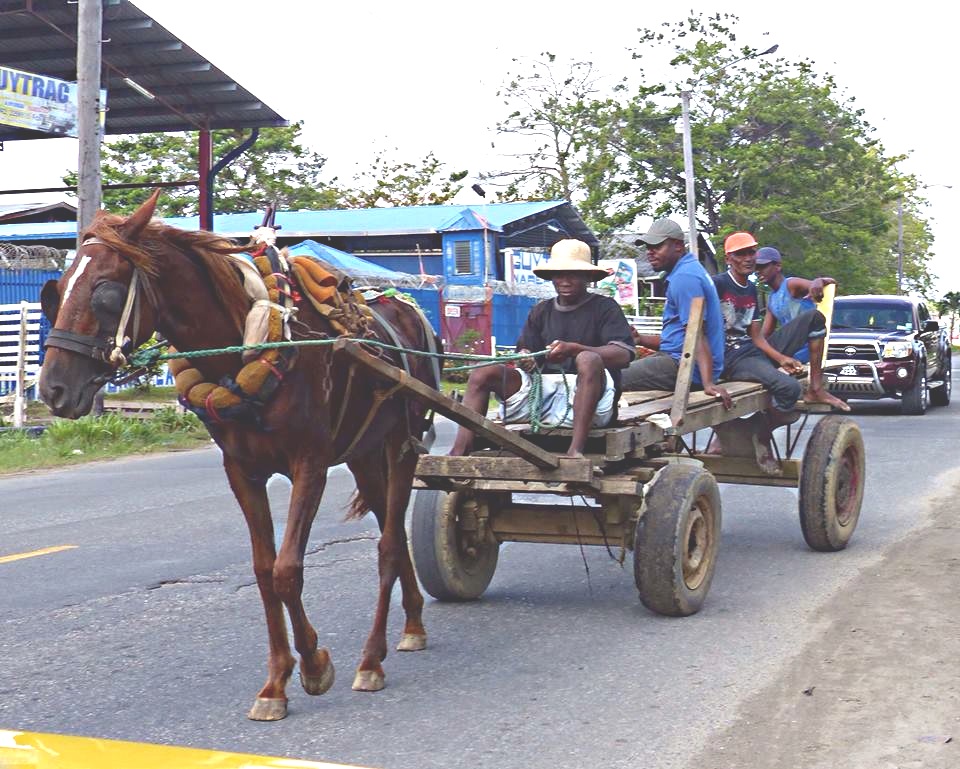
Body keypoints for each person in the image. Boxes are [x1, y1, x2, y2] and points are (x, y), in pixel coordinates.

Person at [447, 239, 636, 459]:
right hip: (541, 397)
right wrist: (526, 358)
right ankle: (459, 451)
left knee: (587, 359)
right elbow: (526, 353)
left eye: (573, 274)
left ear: (588, 277)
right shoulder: (541, 310)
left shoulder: (605, 308)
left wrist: (575, 350)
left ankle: (576, 450)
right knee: (483, 373)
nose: (564, 281)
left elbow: (624, 355)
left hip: (591, 398)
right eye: (558, 274)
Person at [713, 233, 849, 421]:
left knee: (815, 317)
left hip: (755, 350)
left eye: (751, 253)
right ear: (728, 259)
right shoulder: (718, 284)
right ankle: (756, 431)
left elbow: (758, 337)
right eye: (740, 254)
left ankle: (815, 388)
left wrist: (781, 358)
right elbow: (699, 327)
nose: (748, 259)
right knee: (789, 388)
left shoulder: (758, 288)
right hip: (732, 358)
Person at [621, 219, 731, 407]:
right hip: (681, 360)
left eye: (657, 246)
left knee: (609, 379)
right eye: (648, 247)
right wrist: (640, 339)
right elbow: (679, 339)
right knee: (617, 368)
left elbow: (697, 334)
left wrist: (708, 383)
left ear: (678, 246)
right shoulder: (690, 269)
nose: (650, 252)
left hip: (687, 369)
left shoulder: (684, 278)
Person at [754, 246, 836, 364]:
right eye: (756, 267)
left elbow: (829, 283)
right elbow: (765, 335)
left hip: (811, 349)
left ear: (778, 266)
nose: (758, 271)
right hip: (792, 351)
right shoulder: (772, 299)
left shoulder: (792, 284)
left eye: (763, 266)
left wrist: (819, 281)